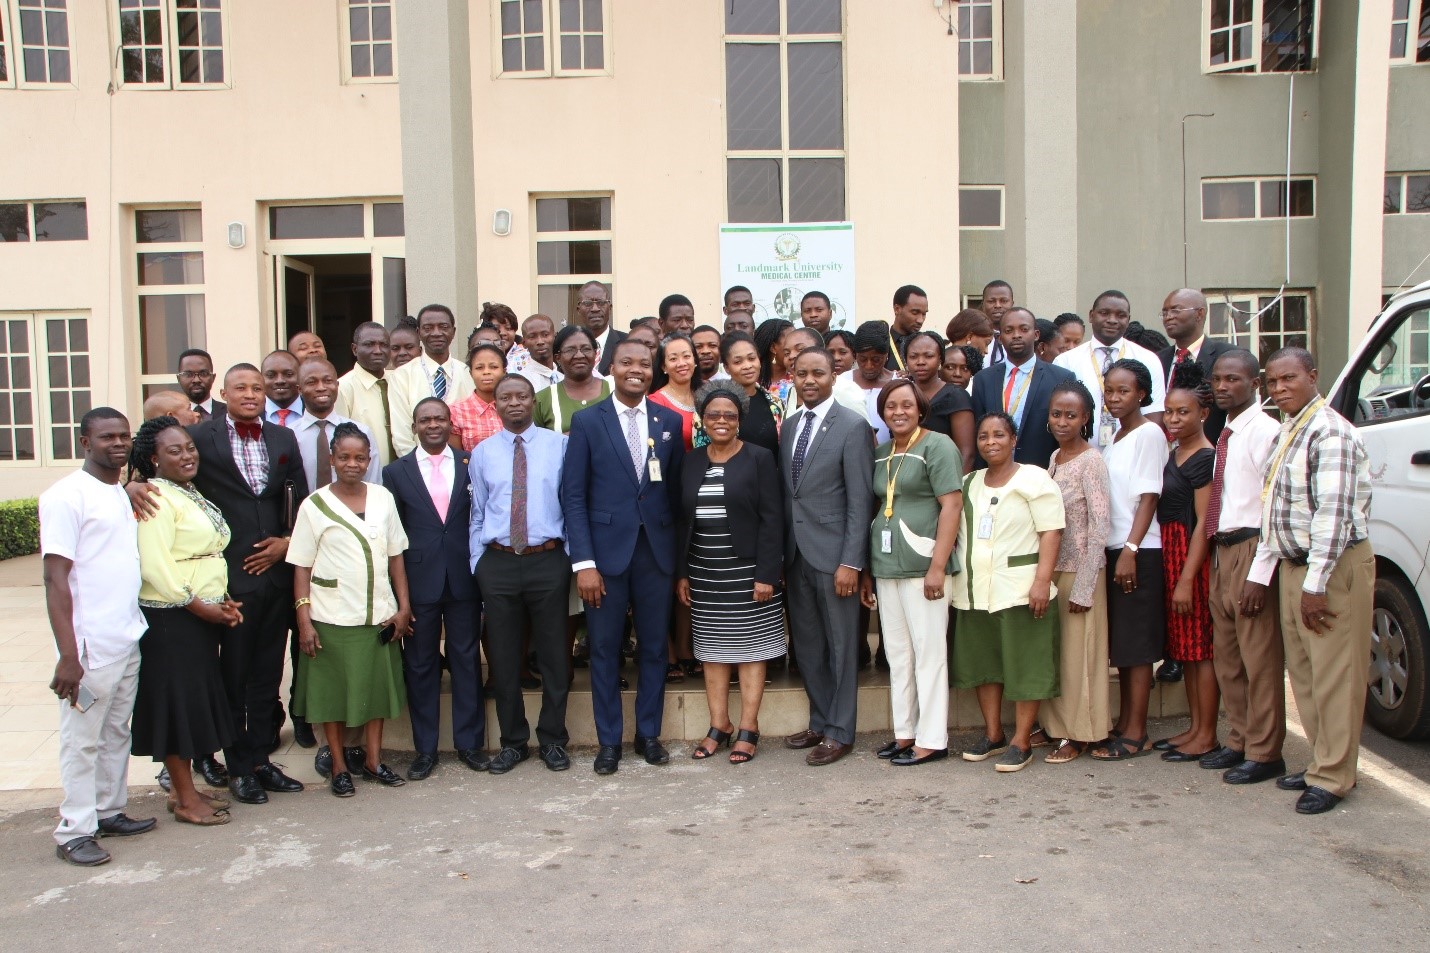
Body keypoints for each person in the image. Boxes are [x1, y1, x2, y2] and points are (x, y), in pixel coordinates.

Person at [178, 364, 309, 804]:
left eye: (257, 387)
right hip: (228, 579)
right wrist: (135, 489)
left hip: (275, 576)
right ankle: (238, 767)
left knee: (267, 674)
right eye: (241, 388)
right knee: (233, 674)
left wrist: (287, 542)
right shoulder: (200, 439)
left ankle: (261, 759)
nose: (251, 394)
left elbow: (300, 501)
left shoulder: (283, 438)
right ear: (224, 392)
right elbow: (170, 483)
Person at [562, 339, 686, 775]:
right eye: (627, 362)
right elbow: (573, 497)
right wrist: (584, 563)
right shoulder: (587, 422)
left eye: (644, 363)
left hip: (655, 555)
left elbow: (673, 494)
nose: (636, 369)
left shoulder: (668, 421)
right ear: (610, 366)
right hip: (604, 560)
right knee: (604, 650)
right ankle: (609, 741)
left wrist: (678, 564)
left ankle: (648, 734)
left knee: (654, 648)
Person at [1259, 347, 1374, 814]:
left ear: (1313, 375)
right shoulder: (1292, 429)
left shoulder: (1331, 433)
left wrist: (1316, 583)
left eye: (1289, 379)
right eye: (1272, 382)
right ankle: (1321, 763)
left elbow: (1333, 515)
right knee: (1305, 674)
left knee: (1336, 674)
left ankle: (1334, 775)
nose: (1280, 388)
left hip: (1330, 567)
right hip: (1295, 564)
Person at [42, 408, 155, 866]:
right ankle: (73, 830)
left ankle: (108, 810)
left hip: (126, 635)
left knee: (114, 733)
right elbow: (54, 579)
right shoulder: (65, 497)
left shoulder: (116, 492)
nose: (118, 443)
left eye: (124, 435)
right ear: (84, 442)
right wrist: (69, 656)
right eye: (106, 437)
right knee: (82, 738)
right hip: (89, 647)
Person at [128, 416, 241, 826]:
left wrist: (222, 599)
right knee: (177, 707)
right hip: (172, 619)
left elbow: (202, 553)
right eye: (174, 451)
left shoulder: (187, 492)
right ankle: (186, 800)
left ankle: (182, 790)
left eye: (189, 447)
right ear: (153, 459)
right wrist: (200, 606)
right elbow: (156, 565)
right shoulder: (155, 497)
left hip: (197, 615)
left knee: (191, 703)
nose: (186, 455)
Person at [290, 424, 412, 796]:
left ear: (369, 460)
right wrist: (304, 619)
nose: (353, 464)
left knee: (375, 693)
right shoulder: (314, 504)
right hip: (331, 616)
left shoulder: (381, 498)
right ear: (332, 459)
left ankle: (374, 761)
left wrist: (404, 607)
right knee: (333, 697)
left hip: (379, 615)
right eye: (344, 457)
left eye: (360, 457)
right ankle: (339, 766)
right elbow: (301, 565)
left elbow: (396, 557)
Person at [676, 381, 785, 764]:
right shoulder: (690, 460)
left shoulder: (757, 458)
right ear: (702, 419)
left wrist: (767, 573)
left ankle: (748, 727)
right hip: (705, 572)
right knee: (712, 651)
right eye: (714, 414)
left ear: (739, 420)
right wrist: (682, 572)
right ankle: (718, 724)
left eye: (730, 415)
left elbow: (773, 519)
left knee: (752, 651)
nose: (721, 420)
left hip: (750, 574)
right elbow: (680, 520)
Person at [470, 375, 574, 774]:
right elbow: (478, 511)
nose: (514, 403)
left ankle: (552, 739)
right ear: (494, 404)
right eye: (505, 397)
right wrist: (477, 562)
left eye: (521, 396)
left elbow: (570, 503)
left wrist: (568, 557)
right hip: (497, 562)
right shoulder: (481, 453)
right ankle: (513, 742)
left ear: (534, 401)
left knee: (552, 656)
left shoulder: (558, 446)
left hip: (547, 559)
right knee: (504, 659)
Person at [952, 412, 1064, 772]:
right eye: (983, 437)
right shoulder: (968, 482)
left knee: (1025, 663)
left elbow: (1051, 531)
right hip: (975, 589)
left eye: (999, 435)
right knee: (984, 663)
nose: (990, 442)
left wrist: (1042, 581)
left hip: (1020, 587)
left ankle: (1022, 740)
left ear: (1014, 439)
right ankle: (994, 734)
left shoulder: (1034, 478)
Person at [382, 398, 486, 779]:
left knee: (465, 661)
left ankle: (469, 744)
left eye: (439, 419)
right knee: (421, 665)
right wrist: (399, 595)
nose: (433, 425)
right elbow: (393, 535)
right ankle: (425, 749)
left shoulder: (470, 462)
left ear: (450, 423)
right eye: (425, 420)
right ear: (414, 426)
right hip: (419, 582)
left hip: (464, 578)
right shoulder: (395, 472)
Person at [780, 347, 874, 767]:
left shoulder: (852, 427)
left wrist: (851, 563)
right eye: (802, 373)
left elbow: (860, 502)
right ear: (792, 376)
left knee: (841, 647)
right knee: (809, 647)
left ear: (834, 375)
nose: (810, 380)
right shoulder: (790, 426)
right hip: (796, 555)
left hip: (836, 557)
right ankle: (820, 720)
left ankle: (841, 731)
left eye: (818, 372)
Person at [861, 379, 962, 766]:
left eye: (906, 405)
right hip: (888, 567)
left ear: (920, 409)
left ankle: (932, 739)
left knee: (929, 653)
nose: (898, 412)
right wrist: (869, 569)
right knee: (899, 655)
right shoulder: (883, 451)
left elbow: (951, 506)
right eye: (890, 406)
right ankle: (905, 733)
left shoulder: (937, 445)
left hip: (925, 567)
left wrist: (938, 566)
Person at [1201, 349, 1285, 784]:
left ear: (1256, 384)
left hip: (1253, 548)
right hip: (1224, 548)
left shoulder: (1265, 431)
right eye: (1217, 379)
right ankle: (1238, 739)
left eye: (1233, 379)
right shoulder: (1228, 432)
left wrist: (1259, 573)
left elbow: (1272, 506)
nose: (1222, 386)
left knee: (1259, 657)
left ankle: (1266, 750)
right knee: (1228, 656)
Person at [289, 357, 380, 748]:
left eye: (328, 378)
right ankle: (309, 725)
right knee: (313, 650)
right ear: (299, 386)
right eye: (312, 380)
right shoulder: (289, 435)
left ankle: (359, 749)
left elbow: (372, 492)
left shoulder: (361, 432)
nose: (321, 386)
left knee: (362, 667)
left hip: (358, 551)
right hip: (308, 541)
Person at [1090, 358, 1167, 761]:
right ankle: (1125, 723)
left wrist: (1131, 551)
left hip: (1138, 550)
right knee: (1124, 644)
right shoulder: (1117, 437)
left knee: (1137, 648)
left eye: (1124, 390)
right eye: (1109, 390)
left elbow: (1149, 496)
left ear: (1142, 393)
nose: (1115, 398)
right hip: (1115, 547)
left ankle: (1136, 733)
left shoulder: (1150, 433)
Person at [1041, 380, 1113, 764]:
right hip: (1054, 569)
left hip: (1082, 572)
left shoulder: (1092, 460)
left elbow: (1101, 525)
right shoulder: (1055, 457)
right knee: (1057, 655)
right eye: (1057, 414)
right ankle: (1055, 727)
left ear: (1085, 418)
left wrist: (1085, 586)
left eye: (1071, 415)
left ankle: (1081, 732)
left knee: (1080, 658)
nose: (1063, 421)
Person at [1155, 363, 1220, 762]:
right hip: (1170, 550)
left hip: (1190, 558)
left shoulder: (1205, 458)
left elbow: (1203, 526)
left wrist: (1185, 579)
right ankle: (1196, 727)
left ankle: (1208, 734)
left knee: (1202, 650)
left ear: (1203, 415)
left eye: (1183, 412)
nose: (1174, 419)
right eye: (1169, 411)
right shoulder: (1176, 450)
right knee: (1186, 651)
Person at [1053, 290, 1167, 450]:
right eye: (1104, 313)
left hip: (1130, 454)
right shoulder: (1066, 361)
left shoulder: (1147, 359)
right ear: (1091, 315)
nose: (1112, 320)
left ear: (1128, 319)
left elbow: (1153, 414)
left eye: (1120, 315)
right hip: (1080, 456)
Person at [969, 308, 1075, 468]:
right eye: (1009, 330)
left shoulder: (1061, 378)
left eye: (1024, 329)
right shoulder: (983, 379)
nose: (1016, 335)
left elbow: (1068, 436)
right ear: (1000, 338)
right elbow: (977, 432)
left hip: (1042, 474)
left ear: (1036, 335)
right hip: (993, 474)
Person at [390, 304, 475, 455]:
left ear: (453, 331)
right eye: (428, 328)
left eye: (443, 327)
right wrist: (417, 468)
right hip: (417, 466)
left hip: (463, 466)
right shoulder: (402, 376)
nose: (436, 333)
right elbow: (401, 434)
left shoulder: (468, 373)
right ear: (418, 332)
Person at [1158, 288, 1234, 442]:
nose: (1168, 317)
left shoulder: (1226, 356)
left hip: (1209, 455)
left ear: (1200, 313)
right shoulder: (1158, 359)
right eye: (1165, 312)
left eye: (1176, 310)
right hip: (1163, 456)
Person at [903, 330, 974, 465]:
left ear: (940, 360)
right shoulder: (901, 394)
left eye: (928, 356)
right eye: (913, 356)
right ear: (906, 360)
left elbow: (966, 453)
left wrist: (958, 484)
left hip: (945, 478)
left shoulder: (956, 396)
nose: (920, 362)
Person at [709, 331, 784, 456]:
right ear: (727, 368)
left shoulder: (775, 403)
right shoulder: (712, 405)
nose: (747, 366)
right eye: (738, 362)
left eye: (751, 358)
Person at [335, 321, 397, 467]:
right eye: (369, 344)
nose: (378, 350)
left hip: (403, 475)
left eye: (384, 345)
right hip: (366, 476)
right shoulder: (343, 388)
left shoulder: (398, 381)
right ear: (355, 349)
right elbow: (339, 440)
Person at [536, 325, 613, 434]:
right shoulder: (542, 399)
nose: (579, 355)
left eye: (586, 349)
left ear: (595, 353)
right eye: (570, 350)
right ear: (558, 358)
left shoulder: (615, 391)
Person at [845, 320, 896, 444]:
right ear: (855, 355)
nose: (869, 366)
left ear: (886, 355)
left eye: (876, 359)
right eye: (862, 359)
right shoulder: (842, 383)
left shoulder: (899, 384)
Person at [448, 342, 506, 451]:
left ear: (504, 371)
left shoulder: (514, 407)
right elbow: (458, 459)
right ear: (471, 373)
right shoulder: (456, 412)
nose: (486, 372)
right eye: (479, 368)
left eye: (493, 367)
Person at [650, 332, 700, 450]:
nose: (681, 363)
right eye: (673, 359)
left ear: (695, 360)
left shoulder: (705, 393)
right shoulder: (656, 402)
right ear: (664, 366)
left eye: (686, 356)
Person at [575, 281, 623, 376]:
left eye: (601, 303)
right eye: (588, 303)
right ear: (578, 310)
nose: (595, 309)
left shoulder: (627, 342)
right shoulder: (568, 346)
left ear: (610, 308)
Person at [886, 284, 929, 372]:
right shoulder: (882, 343)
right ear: (897, 309)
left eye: (924, 314)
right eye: (915, 312)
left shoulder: (928, 345)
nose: (920, 320)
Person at [517, 314, 562, 391]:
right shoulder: (520, 383)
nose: (540, 341)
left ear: (555, 337)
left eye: (545, 335)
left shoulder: (565, 379)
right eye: (532, 336)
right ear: (524, 343)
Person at [755, 318, 795, 404]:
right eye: (790, 343)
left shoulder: (798, 380)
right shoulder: (752, 383)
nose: (795, 352)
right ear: (773, 347)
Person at [177, 348, 224, 420]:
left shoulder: (230, 414)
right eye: (189, 374)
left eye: (203, 374)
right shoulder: (172, 417)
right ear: (179, 378)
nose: (196, 380)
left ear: (213, 377)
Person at [261, 350, 304, 427]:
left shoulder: (315, 410)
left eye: (288, 374)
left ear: (301, 376)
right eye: (271, 375)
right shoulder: (250, 414)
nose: (279, 381)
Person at [481, 301, 526, 369]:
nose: (503, 333)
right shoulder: (479, 356)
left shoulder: (526, 357)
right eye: (496, 328)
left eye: (508, 328)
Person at [979, 280, 1014, 363]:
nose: (997, 305)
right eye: (991, 301)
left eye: (1004, 301)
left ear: (1012, 304)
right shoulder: (974, 338)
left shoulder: (1020, 337)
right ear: (983, 304)